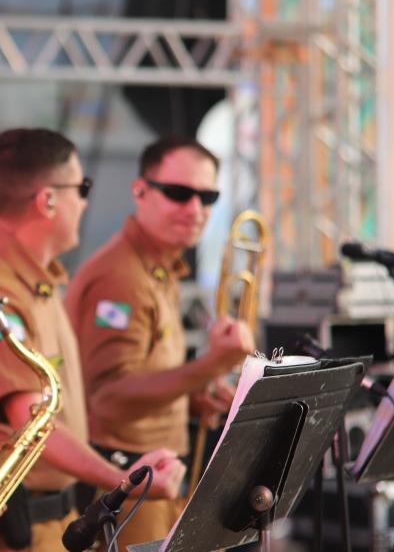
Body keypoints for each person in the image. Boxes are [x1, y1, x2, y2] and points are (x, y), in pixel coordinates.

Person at [0, 128, 186, 552]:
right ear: (48, 199)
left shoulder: (37, 281)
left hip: (54, 520)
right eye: (81, 188)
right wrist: (123, 481)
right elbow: (33, 425)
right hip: (16, 531)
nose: (85, 202)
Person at [64, 135, 255, 549]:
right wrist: (211, 365)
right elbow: (107, 398)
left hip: (153, 477)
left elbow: (139, 375)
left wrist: (190, 398)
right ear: (140, 191)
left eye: (208, 197)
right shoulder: (122, 276)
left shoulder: (156, 267)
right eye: (178, 193)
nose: (195, 209)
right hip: (127, 482)